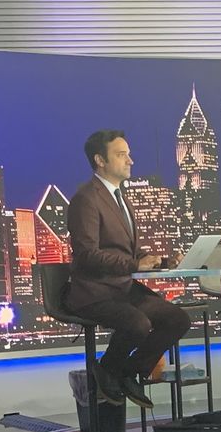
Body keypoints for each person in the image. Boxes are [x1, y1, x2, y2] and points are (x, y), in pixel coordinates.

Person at [66, 129, 192, 408]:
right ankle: (108, 370)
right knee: (138, 324)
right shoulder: (86, 199)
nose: (130, 161)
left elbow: (128, 251)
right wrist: (135, 264)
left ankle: (127, 372)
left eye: (129, 154)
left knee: (178, 319)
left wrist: (161, 260)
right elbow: (87, 254)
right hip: (94, 292)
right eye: (121, 155)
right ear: (100, 160)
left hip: (121, 288)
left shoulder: (120, 198)